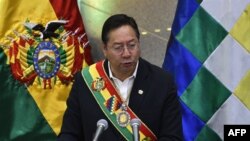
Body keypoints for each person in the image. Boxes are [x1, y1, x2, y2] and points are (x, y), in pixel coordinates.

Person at [57, 14, 183, 141]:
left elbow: (172, 137)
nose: (127, 53)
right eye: (118, 48)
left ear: (139, 44)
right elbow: (70, 133)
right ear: (105, 49)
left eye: (132, 45)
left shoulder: (162, 82)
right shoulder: (85, 80)